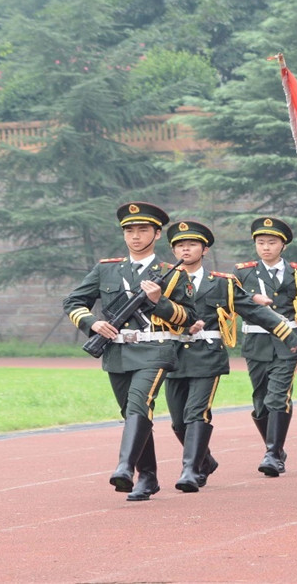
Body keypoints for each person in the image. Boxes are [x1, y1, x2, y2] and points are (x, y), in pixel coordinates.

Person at [62, 202, 197, 501]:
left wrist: (159, 301)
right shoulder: (106, 269)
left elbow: (188, 318)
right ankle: (148, 477)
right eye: (129, 230)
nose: (135, 236)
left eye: (143, 230)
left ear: (157, 234)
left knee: (139, 404)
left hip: (155, 348)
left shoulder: (171, 273)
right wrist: (93, 323)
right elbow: (73, 302)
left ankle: (125, 467)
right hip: (116, 351)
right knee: (131, 412)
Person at [165, 220, 297, 492]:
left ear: (204, 250)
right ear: (173, 251)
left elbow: (252, 310)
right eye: (180, 245)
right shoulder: (164, 282)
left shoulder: (222, 283)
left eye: (192, 244)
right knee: (178, 421)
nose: (186, 249)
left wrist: (288, 335)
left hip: (207, 357)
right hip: (173, 356)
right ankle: (204, 461)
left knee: (196, 413)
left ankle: (190, 470)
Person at [233, 217, 297, 477]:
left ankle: (272, 452)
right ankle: (275, 448)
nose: (266, 247)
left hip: (287, 342)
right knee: (259, 401)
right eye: (261, 242)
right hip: (256, 342)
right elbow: (231, 302)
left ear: (283, 246)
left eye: (272, 242)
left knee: (278, 396)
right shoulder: (243, 273)